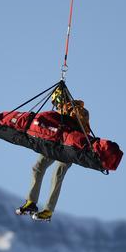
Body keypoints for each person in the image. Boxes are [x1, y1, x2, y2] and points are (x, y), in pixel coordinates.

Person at [15, 94, 91, 222]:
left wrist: (71, 111)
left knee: (57, 174)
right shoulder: (59, 111)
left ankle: (48, 210)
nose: (56, 105)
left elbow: (83, 127)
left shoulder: (79, 110)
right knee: (37, 167)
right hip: (55, 143)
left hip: (70, 146)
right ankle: (31, 202)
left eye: (57, 102)